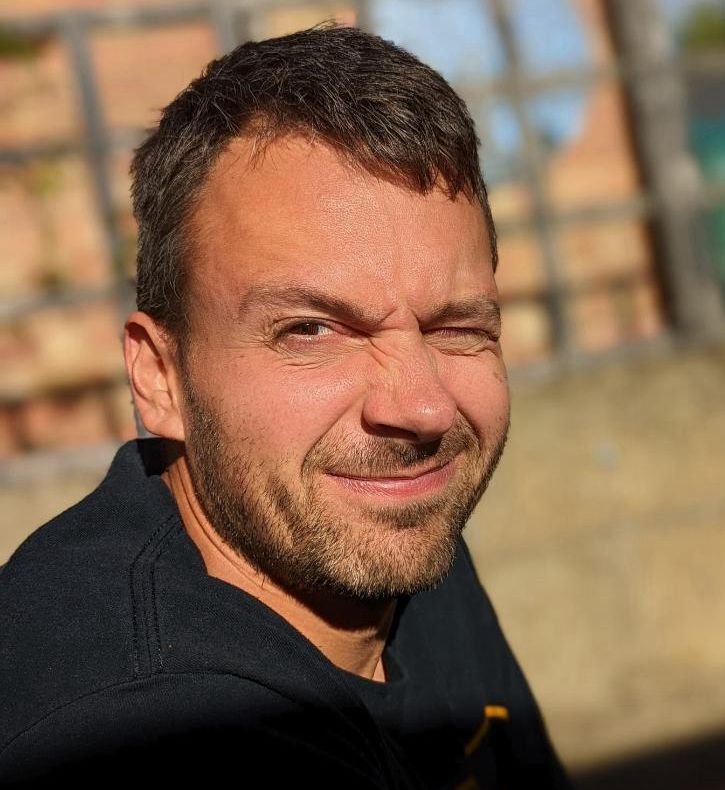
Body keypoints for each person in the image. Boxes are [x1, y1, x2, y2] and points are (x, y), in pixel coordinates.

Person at [0, 25, 570, 788]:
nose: (423, 408)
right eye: (311, 330)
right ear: (159, 378)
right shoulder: (144, 729)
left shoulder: (378, 533)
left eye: (457, 328)